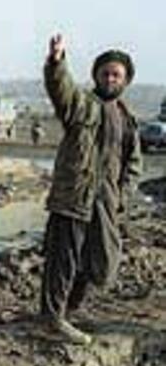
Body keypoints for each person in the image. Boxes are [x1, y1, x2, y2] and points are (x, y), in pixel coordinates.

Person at [39, 34, 142, 345]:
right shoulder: (82, 105)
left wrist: (122, 197)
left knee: (98, 262)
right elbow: (61, 90)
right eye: (105, 73)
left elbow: (133, 164)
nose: (110, 78)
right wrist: (57, 62)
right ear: (96, 76)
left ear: (125, 81)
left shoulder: (126, 119)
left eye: (116, 75)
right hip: (74, 197)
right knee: (63, 259)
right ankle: (52, 317)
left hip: (105, 203)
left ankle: (66, 311)